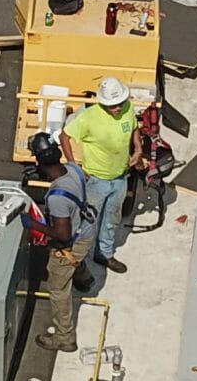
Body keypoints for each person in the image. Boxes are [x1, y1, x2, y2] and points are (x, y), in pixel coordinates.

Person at [61, 76, 137, 275]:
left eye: (119, 103)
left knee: (112, 218)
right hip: (96, 180)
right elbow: (64, 136)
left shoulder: (128, 108)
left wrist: (138, 149)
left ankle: (104, 253)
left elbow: (134, 126)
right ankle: (77, 260)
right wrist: (74, 166)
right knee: (88, 222)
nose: (118, 108)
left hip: (120, 178)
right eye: (113, 106)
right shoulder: (88, 117)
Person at [28, 135, 94, 352]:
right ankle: (84, 279)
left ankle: (64, 337)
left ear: (39, 161)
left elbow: (62, 236)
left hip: (73, 240)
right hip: (86, 228)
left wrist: (33, 224)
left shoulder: (56, 198)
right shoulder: (73, 168)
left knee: (58, 287)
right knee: (75, 260)